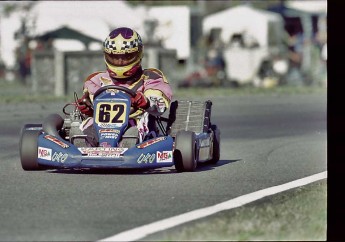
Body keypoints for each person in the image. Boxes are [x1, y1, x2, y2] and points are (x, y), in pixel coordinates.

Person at [76, 27, 173, 147]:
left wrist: (145, 102)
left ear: (138, 54)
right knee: (87, 126)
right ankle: (82, 144)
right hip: (100, 126)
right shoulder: (96, 79)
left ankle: (129, 145)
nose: (120, 62)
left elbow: (160, 104)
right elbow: (90, 101)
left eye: (126, 57)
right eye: (115, 57)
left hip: (137, 123)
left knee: (135, 127)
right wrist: (87, 107)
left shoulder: (151, 77)